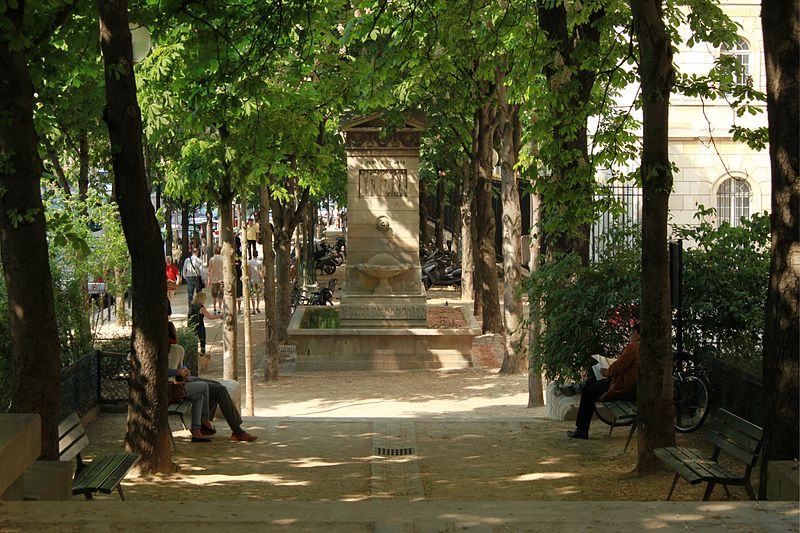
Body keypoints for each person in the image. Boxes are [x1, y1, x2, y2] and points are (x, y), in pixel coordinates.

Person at [168, 322, 257, 443]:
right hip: (174, 386)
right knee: (217, 389)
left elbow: (181, 366)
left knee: (217, 386)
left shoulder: (176, 349)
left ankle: (209, 426)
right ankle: (229, 428)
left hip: (180, 380)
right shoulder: (173, 350)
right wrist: (178, 372)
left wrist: (184, 371)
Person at [567, 324, 641, 439]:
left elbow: (619, 366)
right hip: (630, 386)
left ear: (636, 333)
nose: (630, 336)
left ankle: (581, 430)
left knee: (588, 392)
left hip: (621, 386)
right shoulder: (644, 347)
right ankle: (579, 389)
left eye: (631, 333)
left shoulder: (633, 348)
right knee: (590, 384)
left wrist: (607, 372)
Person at [188, 291, 222, 356]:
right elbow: (210, 317)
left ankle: (193, 355)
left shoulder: (192, 305)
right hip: (200, 326)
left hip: (191, 326)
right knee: (202, 341)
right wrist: (220, 316)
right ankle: (202, 355)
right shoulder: (201, 307)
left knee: (193, 342)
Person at [208, 246, 224, 313]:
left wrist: (209, 280)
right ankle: (220, 309)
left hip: (214, 279)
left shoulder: (211, 259)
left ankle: (214, 308)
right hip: (221, 279)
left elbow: (209, 270)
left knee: (214, 296)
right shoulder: (223, 259)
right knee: (220, 296)